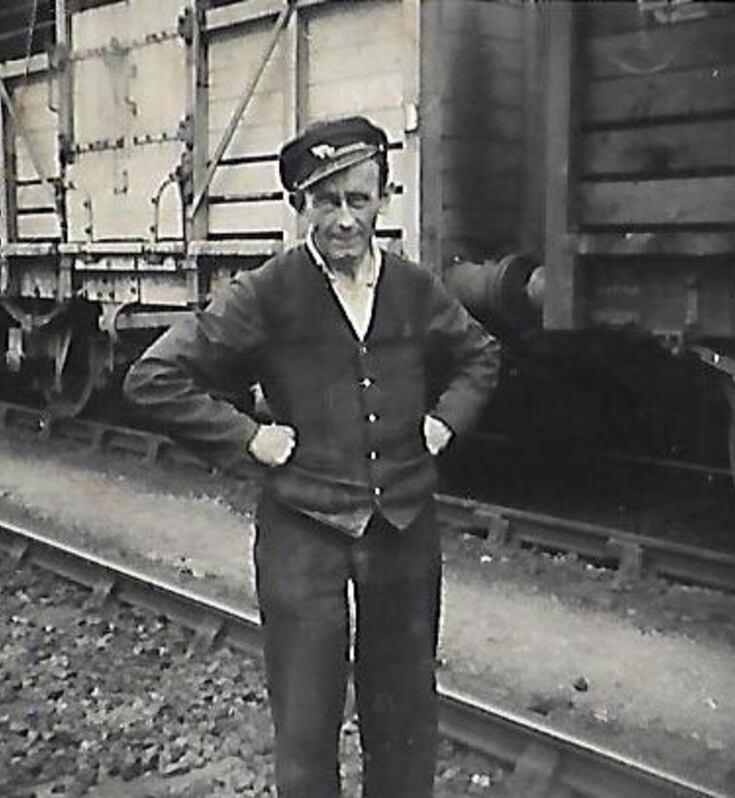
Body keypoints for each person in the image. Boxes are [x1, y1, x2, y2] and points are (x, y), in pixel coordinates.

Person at [123, 115, 500, 798]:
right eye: (326, 202)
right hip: (304, 534)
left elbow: (480, 354)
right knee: (306, 726)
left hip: (404, 531)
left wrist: (445, 423)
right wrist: (247, 436)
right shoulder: (267, 291)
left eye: (359, 200)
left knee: (406, 719)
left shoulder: (414, 287)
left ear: (384, 200)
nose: (345, 220)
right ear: (298, 206)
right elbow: (153, 378)